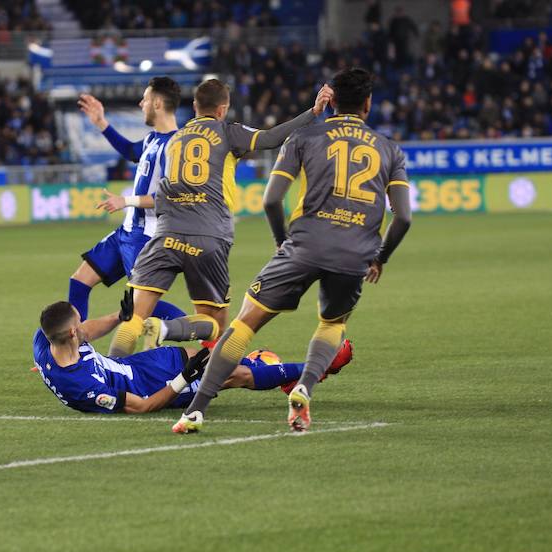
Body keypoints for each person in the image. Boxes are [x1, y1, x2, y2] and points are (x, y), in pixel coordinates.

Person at [174, 67, 412, 434]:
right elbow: (404, 218)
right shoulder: (389, 149)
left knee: (245, 322)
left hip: (303, 245)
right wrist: (380, 258)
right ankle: (304, 387)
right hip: (354, 253)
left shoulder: (303, 137)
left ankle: (195, 410)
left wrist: (280, 241)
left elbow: (271, 200)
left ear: (330, 101)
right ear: (368, 104)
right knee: (332, 323)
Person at [108, 79, 333, 358]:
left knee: (132, 318)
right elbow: (271, 138)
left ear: (194, 106)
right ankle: (165, 330)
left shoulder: (175, 139)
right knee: (214, 323)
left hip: (166, 234)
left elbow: (164, 190)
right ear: (223, 109)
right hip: (209, 236)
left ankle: (114, 376)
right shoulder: (228, 132)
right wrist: (313, 112)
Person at [33, 291, 352, 414]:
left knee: (218, 356)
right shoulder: (84, 385)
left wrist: (120, 317)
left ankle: (264, 365)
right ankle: (322, 365)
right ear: (70, 333)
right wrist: (183, 379)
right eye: (79, 323)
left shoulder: (45, 340)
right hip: (152, 388)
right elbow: (143, 407)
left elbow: (87, 331)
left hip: (139, 364)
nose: (84, 326)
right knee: (233, 375)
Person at [71, 78, 186, 324]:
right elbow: (129, 151)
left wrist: (127, 201)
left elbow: (170, 198)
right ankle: (74, 352)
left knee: (143, 303)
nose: (140, 103)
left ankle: (208, 339)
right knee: (79, 282)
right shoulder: (152, 139)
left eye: (145, 99)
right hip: (127, 231)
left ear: (156, 103)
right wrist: (101, 122)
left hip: (146, 236)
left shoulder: (175, 146)